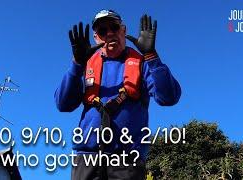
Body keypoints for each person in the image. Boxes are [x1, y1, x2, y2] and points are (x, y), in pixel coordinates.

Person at [55, 9, 181, 180]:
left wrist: (151, 56)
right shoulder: (85, 65)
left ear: (124, 30)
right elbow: (63, 104)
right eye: (102, 31)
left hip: (127, 160)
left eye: (114, 28)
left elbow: (169, 97)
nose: (109, 34)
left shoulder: (142, 63)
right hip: (86, 159)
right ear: (95, 37)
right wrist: (77, 64)